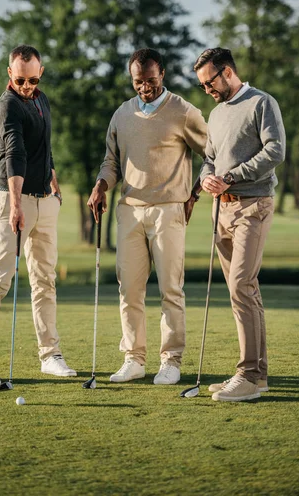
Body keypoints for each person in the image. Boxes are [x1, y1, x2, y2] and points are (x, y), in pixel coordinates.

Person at [88, 48, 207, 385]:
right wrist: (101, 185)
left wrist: (195, 192)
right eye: (138, 82)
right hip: (130, 211)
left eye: (151, 81)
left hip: (168, 210)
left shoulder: (183, 111)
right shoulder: (122, 115)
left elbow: (212, 153)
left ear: (163, 75)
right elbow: (111, 161)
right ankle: (134, 359)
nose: (145, 87)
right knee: (130, 291)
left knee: (171, 289)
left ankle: (171, 360)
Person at [0, 44, 76, 385]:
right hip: (13, 201)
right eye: (20, 80)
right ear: (9, 75)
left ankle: (50, 355)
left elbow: (43, 147)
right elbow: (14, 154)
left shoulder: (41, 99)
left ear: (41, 72)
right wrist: (16, 205)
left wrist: (53, 181)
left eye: (32, 79)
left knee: (45, 280)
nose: (27, 86)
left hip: (46, 201)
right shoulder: (8, 106)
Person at [195, 47, 286, 402]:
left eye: (209, 83)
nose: (207, 90)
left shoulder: (262, 103)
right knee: (245, 291)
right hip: (222, 211)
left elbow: (275, 150)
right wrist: (206, 179)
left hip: (254, 206)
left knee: (240, 286)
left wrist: (230, 177)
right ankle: (257, 377)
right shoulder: (216, 114)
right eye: (202, 86)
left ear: (227, 72)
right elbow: (208, 159)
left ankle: (247, 375)